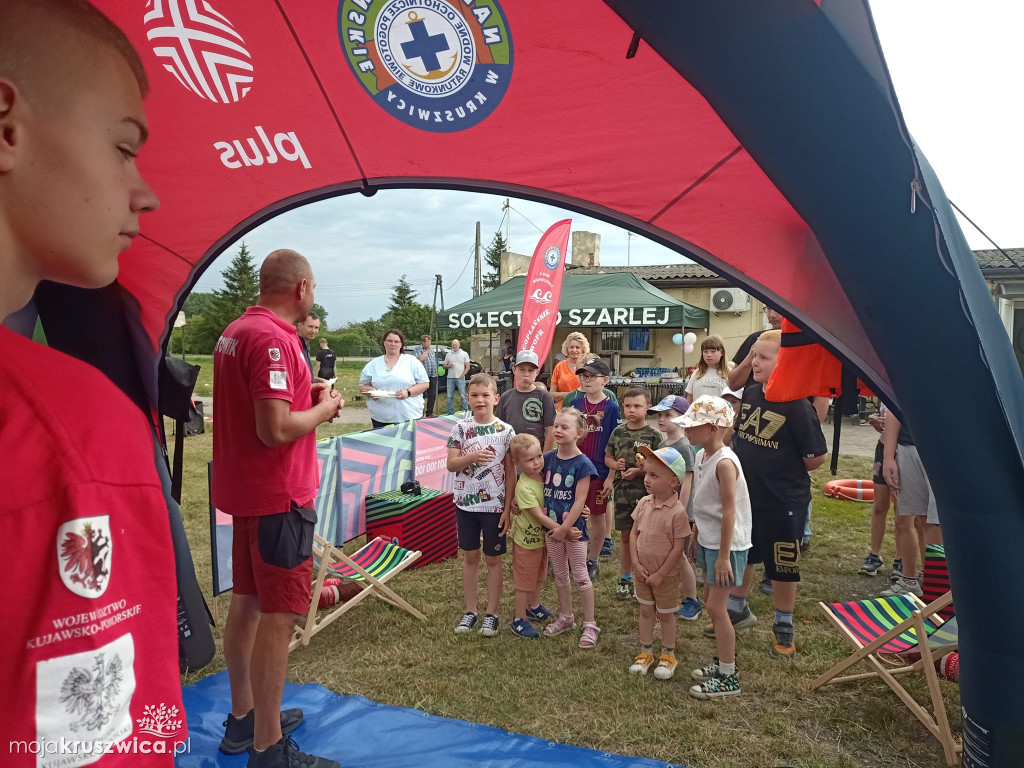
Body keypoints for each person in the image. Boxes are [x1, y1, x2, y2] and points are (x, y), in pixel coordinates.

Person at [1, 3, 184, 762]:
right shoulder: (68, 429)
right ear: (6, 127)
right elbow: (103, 743)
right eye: (123, 147)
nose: (145, 194)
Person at [213, 249, 344, 767]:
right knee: (280, 614)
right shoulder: (271, 338)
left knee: (246, 601)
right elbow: (275, 429)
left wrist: (304, 395)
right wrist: (326, 407)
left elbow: (263, 407)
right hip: (278, 495)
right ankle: (268, 747)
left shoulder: (239, 329)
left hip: (247, 493)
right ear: (303, 287)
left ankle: (245, 719)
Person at [725, 330, 827, 658]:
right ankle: (737, 608)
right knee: (747, 552)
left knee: (783, 562)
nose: (754, 361)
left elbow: (816, 458)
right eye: (754, 354)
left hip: (784, 500)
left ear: (783, 362)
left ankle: (784, 623)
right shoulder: (753, 392)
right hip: (748, 495)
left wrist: (779, 464)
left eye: (763, 357)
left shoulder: (797, 404)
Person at [678, 396, 752, 699]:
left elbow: (729, 512)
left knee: (715, 609)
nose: (687, 432)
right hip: (710, 539)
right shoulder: (701, 456)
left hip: (728, 546)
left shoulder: (724, 462)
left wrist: (723, 557)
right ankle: (722, 662)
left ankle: (728, 674)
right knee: (712, 602)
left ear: (712, 428)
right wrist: (697, 535)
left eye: (692, 427)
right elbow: (705, 505)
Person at [446, 374, 515, 637]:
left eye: (485, 395)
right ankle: (471, 610)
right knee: (470, 557)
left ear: (496, 399)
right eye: (474, 395)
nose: (480, 400)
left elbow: (511, 472)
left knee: (494, 559)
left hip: (495, 507)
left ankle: (492, 613)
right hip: (465, 505)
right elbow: (452, 464)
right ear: (467, 398)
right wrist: (472, 456)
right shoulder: (460, 429)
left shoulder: (506, 431)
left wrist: (508, 508)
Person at [627, 446, 691, 680]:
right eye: (646, 474)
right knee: (645, 610)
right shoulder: (643, 502)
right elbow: (634, 534)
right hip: (642, 572)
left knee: (665, 615)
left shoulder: (677, 512)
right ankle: (646, 652)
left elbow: (678, 548)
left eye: (654, 476)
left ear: (673, 481)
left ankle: (668, 654)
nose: (647, 480)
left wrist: (661, 574)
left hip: (665, 576)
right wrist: (635, 563)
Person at [542, 409, 601, 648]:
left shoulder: (583, 464)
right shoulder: (547, 459)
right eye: (556, 426)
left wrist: (564, 529)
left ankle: (590, 623)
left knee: (580, 574)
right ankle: (566, 617)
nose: (557, 430)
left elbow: (579, 501)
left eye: (564, 427)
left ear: (579, 433)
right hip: (551, 531)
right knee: (559, 574)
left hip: (573, 531)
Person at [604, 387, 662, 601]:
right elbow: (607, 458)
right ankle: (625, 578)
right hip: (622, 493)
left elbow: (660, 466)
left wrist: (640, 470)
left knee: (645, 537)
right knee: (627, 536)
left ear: (648, 407)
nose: (631, 410)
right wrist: (616, 465)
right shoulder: (618, 432)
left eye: (637, 406)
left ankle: (646, 575)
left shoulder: (654, 435)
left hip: (644, 495)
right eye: (627, 406)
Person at [647, 395, 701, 620]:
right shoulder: (661, 445)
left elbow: (687, 480)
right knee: (665, 553)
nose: (661, 419)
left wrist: (678, 509)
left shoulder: (685, 447)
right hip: (661, 508)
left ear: (683, 418)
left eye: (668, 415)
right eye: (659, 415)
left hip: (679, 513)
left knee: (679, 557)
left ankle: (692, 600)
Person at [567, 356, 620, 582]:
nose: (586, 380)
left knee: (597, 516)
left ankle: (593, 558)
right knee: (571, 513)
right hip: (575, 470)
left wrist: (611, 477)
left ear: (605, 380)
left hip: (598, 471)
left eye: (592, 376)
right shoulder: (575, 406)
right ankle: (572, 554)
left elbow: (615, 444)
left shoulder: (611, 407)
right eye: (583, 376)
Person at [879, 409, 942, 599]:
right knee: (915, 519)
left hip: (941, 448)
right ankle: (914, 581)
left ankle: (936, 591)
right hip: (907, 446)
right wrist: (889, 456)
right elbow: (894, 408)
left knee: (934, 522)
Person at [508, 433, 567, 638]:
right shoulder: (524, 487)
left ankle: (533, 606)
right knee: (524, 581)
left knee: (539, 575)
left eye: (539, 456)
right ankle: (519, 619)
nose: (536, 462)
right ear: (517, 463)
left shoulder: (545, 474)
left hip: (543, 541)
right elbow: (538, 516)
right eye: (529, 460)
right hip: (527, 541)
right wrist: (563, 529)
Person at [358, 329, 429, 428]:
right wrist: (372, 392)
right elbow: (363, 387)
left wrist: (408, 392)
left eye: (396, 341)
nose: (393, 344)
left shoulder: (412, 361)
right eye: (389, 341)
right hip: (381, 418)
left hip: (409, 416)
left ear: (401, 344)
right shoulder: (373, 364)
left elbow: (424, 384)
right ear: (384, 343)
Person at [860, 405, 898, 576]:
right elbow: (884, 416)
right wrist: (876, 420)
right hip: (883, 448)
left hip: (904, 450)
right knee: (879, 505)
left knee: (903, 512)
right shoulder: (885, 387)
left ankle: (901, 560)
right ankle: (874, 555)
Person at [497, 350, 555, 451]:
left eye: (530, 370)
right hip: (512, 455)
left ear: (537, 372)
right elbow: (499, 429)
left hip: (537, 454)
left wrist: (545, 457)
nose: (526, 374)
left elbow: (551, 430)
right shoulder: (505, 397)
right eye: (522, 370)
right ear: (514, 370)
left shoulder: (544, 396)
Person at [549, 331, 589, 410]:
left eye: (577, 347)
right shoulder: (559, 367)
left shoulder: (588, 366)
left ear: (583, 349)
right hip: (563, 410)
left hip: (584, 410)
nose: (574, 350)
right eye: (571, 347)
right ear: (566, 348)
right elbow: (552, 394)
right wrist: (569, 395)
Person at [685, 335, 730, 403]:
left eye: (713, 351)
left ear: (722, 352)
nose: (709, 355)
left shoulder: (729, 373)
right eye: (705, 351)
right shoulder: (696, 373)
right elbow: (690, 396)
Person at [442, 338, 471, 415]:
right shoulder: (448, 354)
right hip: (450, 378)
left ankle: (465, 411)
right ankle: (449, 413)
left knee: (463, 396)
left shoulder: (464, 354)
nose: (454, 346)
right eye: (453, 344)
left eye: (455, 344)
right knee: (449, 397)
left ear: (459, 345)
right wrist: (448, 366)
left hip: (460, 378)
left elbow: (468, 366)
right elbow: (444, 366)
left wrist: (462, 375)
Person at [413, 334, 438, 417]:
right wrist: (427, 351)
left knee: (432, 395)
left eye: (430, 342)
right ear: (423, 342)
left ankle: (429, 413)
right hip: (422, 378)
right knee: (421, 396)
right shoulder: (418, 350)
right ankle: (420, 413)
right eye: (428, 342)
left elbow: (433, 360)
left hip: (432, 376)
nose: (429, 344)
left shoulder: (431, 350)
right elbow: (420, 359)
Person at [296, 311, 319, 380]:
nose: (313, 331)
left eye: (316, 328)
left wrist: (316, 380)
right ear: (300, 325)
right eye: (310, 326)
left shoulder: (306, 345)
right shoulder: (294, 345)